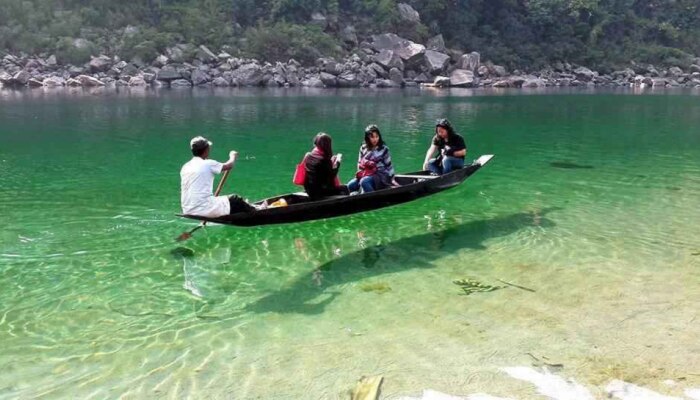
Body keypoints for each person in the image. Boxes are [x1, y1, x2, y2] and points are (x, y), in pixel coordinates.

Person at [180, 136, 256, 217]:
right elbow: (229, 165)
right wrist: (232, 156)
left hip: (187, 209)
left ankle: (246, 207)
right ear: (206, 150)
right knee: (235, 199)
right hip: (204, 209)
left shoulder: (185, 166)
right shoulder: (208, 164)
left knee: (231, 202)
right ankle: (256, 210)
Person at [347, 124, 396, 193]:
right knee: (350, 185)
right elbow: (359, 163)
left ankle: (373, 199)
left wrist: (392, 179)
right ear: (367, 138)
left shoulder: (384, 149)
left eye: (377, 136)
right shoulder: (363, 148)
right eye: (372, 137)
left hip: (380, 174)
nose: (375, 139)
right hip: (366, 173)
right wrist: (361, 174)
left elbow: (389, 165)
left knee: (364, 182)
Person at [303, 133, 349, 199]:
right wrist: (338, 162)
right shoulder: (323, 160)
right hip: (320, 192)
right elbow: (331, 177)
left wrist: (331, 161)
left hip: (309, 190)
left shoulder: (309, 156)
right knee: (345, 189)